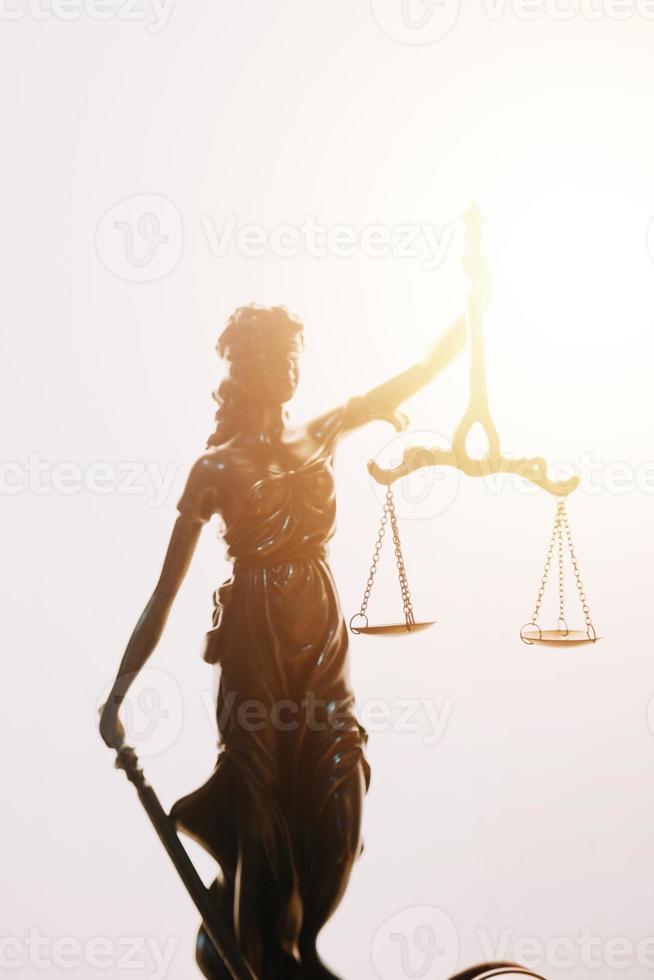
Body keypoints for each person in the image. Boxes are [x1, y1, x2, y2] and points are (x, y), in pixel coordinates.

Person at [100, 304, 465, 979]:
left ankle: (305, 942)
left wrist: (469, 320)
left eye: (296, 352)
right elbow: (164, 592)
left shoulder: (321, 432)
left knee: (339, 779)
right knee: (258, 795)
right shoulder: (214, 468)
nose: (291, 364)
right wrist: (118, 694)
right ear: (243, 366)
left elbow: (413, 374)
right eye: (275, 352)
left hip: (322, 636)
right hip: (255, 642)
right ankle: (269, 952)